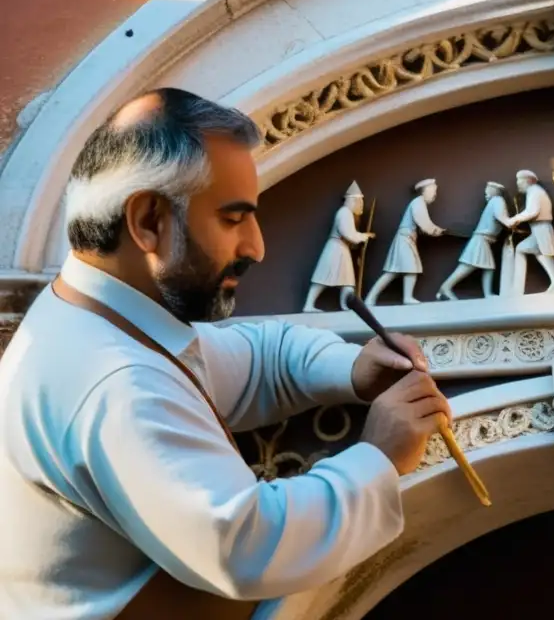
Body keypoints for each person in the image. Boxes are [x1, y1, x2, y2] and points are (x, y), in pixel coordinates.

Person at [0, 88, 451, 620]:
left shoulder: (101, 323)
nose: (256, 246)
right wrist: (382, 454)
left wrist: (351, 369)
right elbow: (244, 546)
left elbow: (258, 357)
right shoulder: (115, 381)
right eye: (234, 219)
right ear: (147, 221)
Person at [365, 179, 445, 306]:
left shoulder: (419, 203)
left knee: (402, 270)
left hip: (407, 240)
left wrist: (436, 230)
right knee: (397, 271)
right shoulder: (418, 203)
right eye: (433, 191)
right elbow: (424, 223)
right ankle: (373, 298)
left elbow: (424, 225)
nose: (435, 195)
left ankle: (402, 297)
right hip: (405, 240)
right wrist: (436, 231)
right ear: (426, 191)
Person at [304, 180, 374, 311]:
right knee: (323, 277)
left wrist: (362, 236)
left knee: (347, 280)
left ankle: (345, 305)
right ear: (353, 201)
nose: (361, 206)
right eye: (359, 203)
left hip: (341, 249)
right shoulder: (344, 213)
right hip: (335, 249)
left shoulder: (347, 214)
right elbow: (348, 233)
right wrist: (364, 236)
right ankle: (309, 305)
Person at [436, 181, 511, 301]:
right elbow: (502, 218)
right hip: (481, 240)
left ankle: (487, 294)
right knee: (467, 267)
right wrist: (512, 222)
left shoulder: (497, 200)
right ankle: (446, 287)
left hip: (482, 240)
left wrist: (508, 222)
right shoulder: (497, 201)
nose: (486, 194)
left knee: (487, 267)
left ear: (494, 191)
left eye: (487, 192)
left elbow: (500, 217)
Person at [506, 170, 554, 294]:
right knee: (534, 252)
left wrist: (515, 219)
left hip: (541, 227)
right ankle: (518, 288)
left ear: (528, 181)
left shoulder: (535, 192)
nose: (518, 184)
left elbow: (532, 211)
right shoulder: (534, 191)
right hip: (538, 228)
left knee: (543, 254)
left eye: (520, 181)